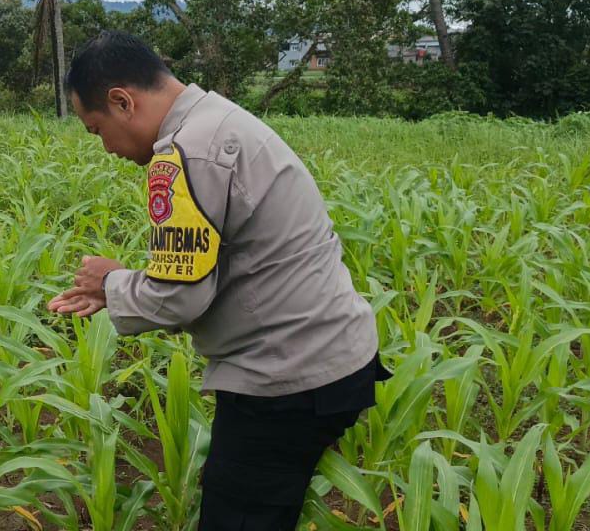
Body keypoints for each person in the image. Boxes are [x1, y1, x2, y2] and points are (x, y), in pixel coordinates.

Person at [47, 31, 390, 530]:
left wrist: (112, 284)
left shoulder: (188, 152)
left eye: (97, 130)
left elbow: (178, 297)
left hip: (287, 379)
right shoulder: (217, 121)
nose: (106, 148)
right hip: (328, 356)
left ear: (123, 101)